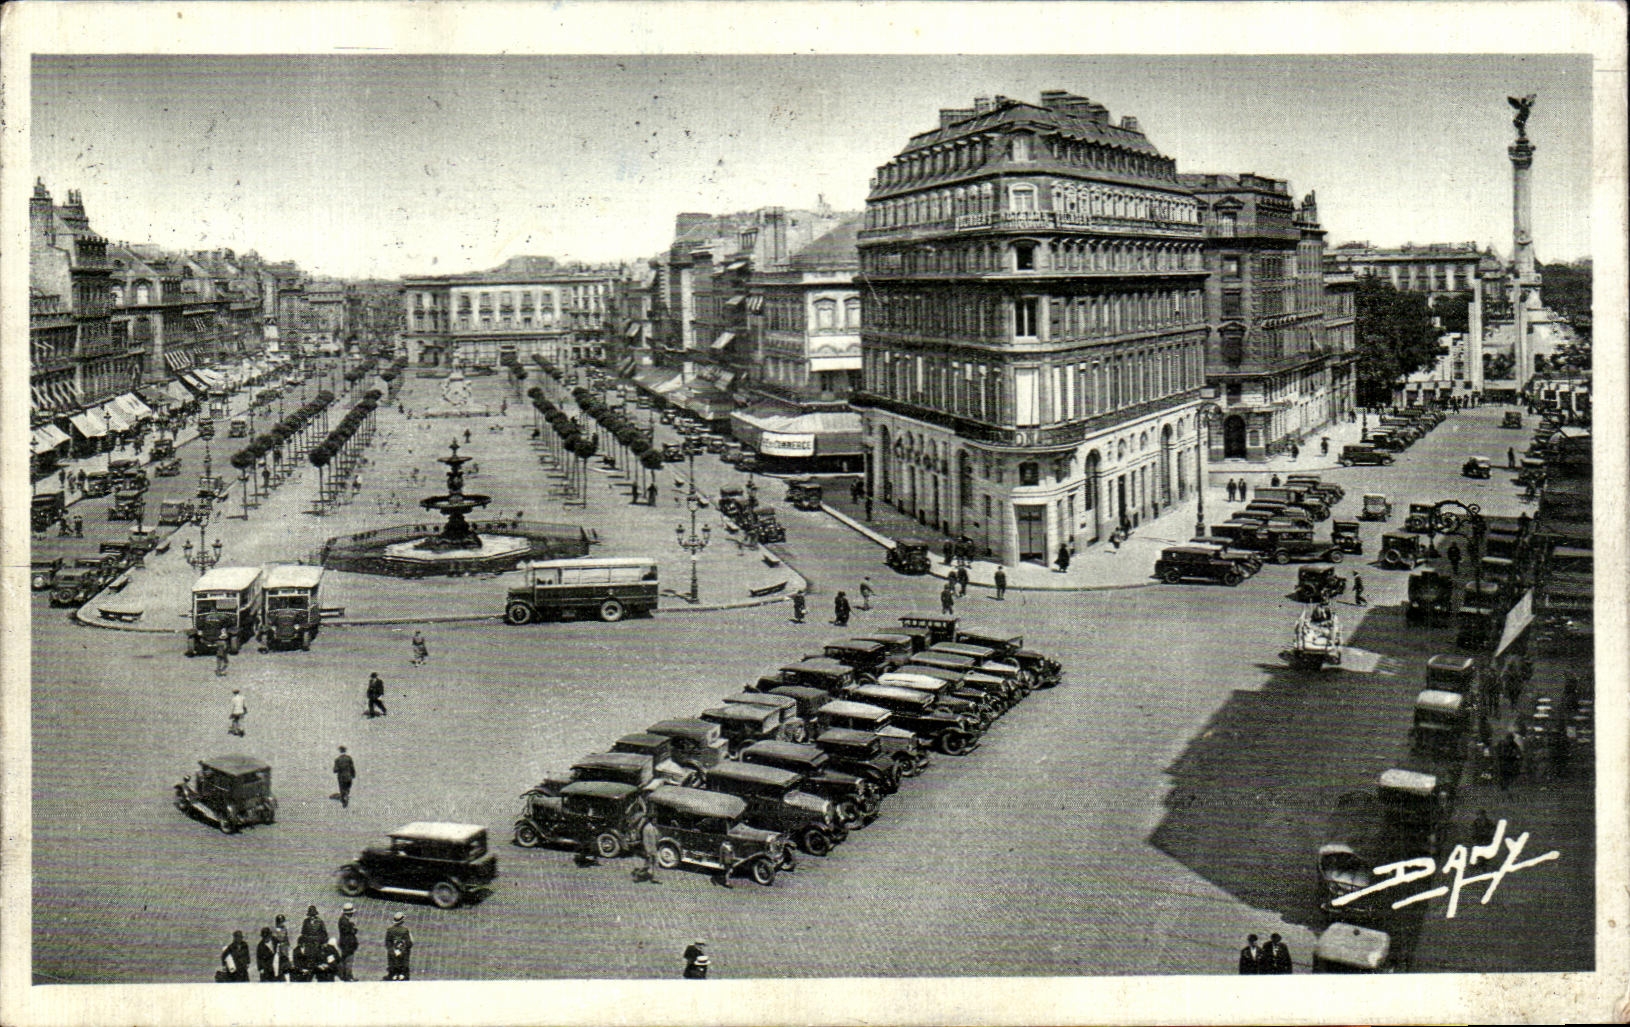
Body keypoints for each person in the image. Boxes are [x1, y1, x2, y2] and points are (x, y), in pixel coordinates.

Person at [384, 912, 413, 981]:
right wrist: (403, 949)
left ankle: (394, 974)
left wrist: (392, 950)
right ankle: (402, 974)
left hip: (393, 950)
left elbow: (387, 942)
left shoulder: (389, 930)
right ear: (402, 921)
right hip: (403, 950)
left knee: (393, 961)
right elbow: (408, 943)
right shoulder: (405, 930)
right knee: (403, 960)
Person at [631, 818, 662, 883]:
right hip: (649, 850)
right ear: (651, 820)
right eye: (655, 820)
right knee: (646, 865)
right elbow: (645, 841)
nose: (656, 821)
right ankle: (637, 877)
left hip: (654, 849)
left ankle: (655, 878)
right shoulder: (647, 828)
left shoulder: (654, 827)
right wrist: (648, 851)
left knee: (656, 864)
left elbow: (657, 837)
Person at [337, 903, 359, 981]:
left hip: (343, 943)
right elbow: (351, 931)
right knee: (349, 960)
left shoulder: (342, 919)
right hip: (348, 944)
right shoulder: (346, 922)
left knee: (344, 959)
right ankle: (348, 976)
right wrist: (353, 925)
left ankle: (343, 974)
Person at [271, 915, 292, 980]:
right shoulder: (274, 931)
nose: (282, 923)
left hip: (285, 950)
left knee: (286, 965)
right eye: (281, 922)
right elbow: (275, 941)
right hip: (278, 951)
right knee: (277, 966)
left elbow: (286, 940)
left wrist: (288, 948)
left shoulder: (284, 929)